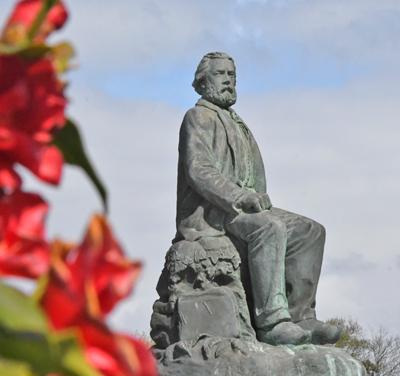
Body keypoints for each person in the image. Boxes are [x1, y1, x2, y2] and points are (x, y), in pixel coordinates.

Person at [173, 52, 342, 346]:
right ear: (202, 82)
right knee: (269, 228)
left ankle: (302, 315)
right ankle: (273, 322)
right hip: (214, 212)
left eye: (232, 75)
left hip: (245, 207)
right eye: (220, 74)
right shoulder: (198, 116)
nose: (228, 80)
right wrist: (240, 197)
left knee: (310, 231)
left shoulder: (236, 121)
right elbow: (198, 170)